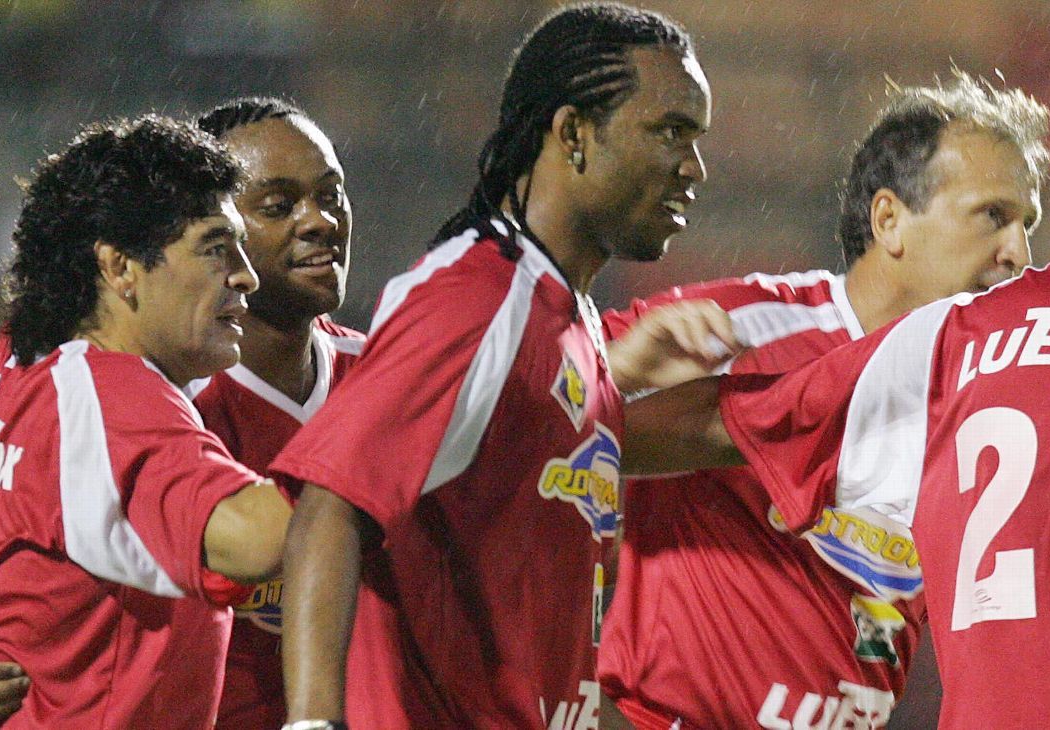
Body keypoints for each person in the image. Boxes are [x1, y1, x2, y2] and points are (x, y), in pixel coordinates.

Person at [627, 56, 1050, 729]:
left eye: (1025, 220)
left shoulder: (944, 344)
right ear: (888, 219)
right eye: (990, 215)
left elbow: (669, 428)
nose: (1016, 251)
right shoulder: (751, 323)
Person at [270, 4, 736, 728]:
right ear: (573, 133)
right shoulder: (474, 300)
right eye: (669, 131)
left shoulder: (564, 313)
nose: (693, 165)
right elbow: (330, 509)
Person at [0, 99, 365, 730]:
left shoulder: (37, 358)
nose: (243, 274)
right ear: (119, 266)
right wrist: (401, 415)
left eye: (331, 194)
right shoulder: (112, 396)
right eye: (221, 245)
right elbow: (261, 538)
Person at [191, 97, 366, 729]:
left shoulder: (386, 384)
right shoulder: (165, 404)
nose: (320, 221)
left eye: (331, 193)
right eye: (278, 204)